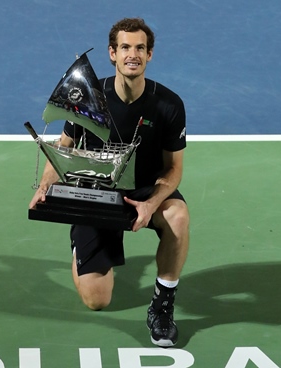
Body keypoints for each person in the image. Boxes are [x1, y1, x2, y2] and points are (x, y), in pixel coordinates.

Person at [29, 17, 188, 347]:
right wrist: (46, 186)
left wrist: (150, 203)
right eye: (125, 47)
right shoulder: (89, 96)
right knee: (97, 300)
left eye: (140, 48)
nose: (133, 54)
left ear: (150, 55)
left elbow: (173, 170)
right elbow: (63, 148)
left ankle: (162, 307)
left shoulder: (168, 105)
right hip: (96, 192)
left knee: (178, 216)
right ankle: (81, 247)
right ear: (112, 53)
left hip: (144, 190)